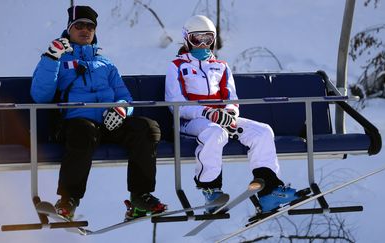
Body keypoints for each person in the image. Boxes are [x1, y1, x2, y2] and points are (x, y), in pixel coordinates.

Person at [31, 5, 166, 220]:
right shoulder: (57, 59)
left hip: (109, 123)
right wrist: (51, 58)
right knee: (83, 132)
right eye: (79, 25)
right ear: (69, 29)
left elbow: (125, 96)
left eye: (90, 27)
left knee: (147, 128)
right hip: (77, 122)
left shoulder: (106, 64)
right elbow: (41, 96)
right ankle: (68, 200)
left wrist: (121, 109)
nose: (85, 30)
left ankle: (140, 195)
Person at [165, 15, 299, 213]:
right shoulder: (177, 66)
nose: (202, 44)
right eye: (197, 39)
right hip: (189, 121)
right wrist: (207, 113)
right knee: (214, 133)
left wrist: (229, 113)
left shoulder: (221, 67)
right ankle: (210, 189)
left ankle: (269, 190)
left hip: (220, 119)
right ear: (186, 39)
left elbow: (231, 98)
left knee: (262, 132)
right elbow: (175, 103)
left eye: (208, 39)